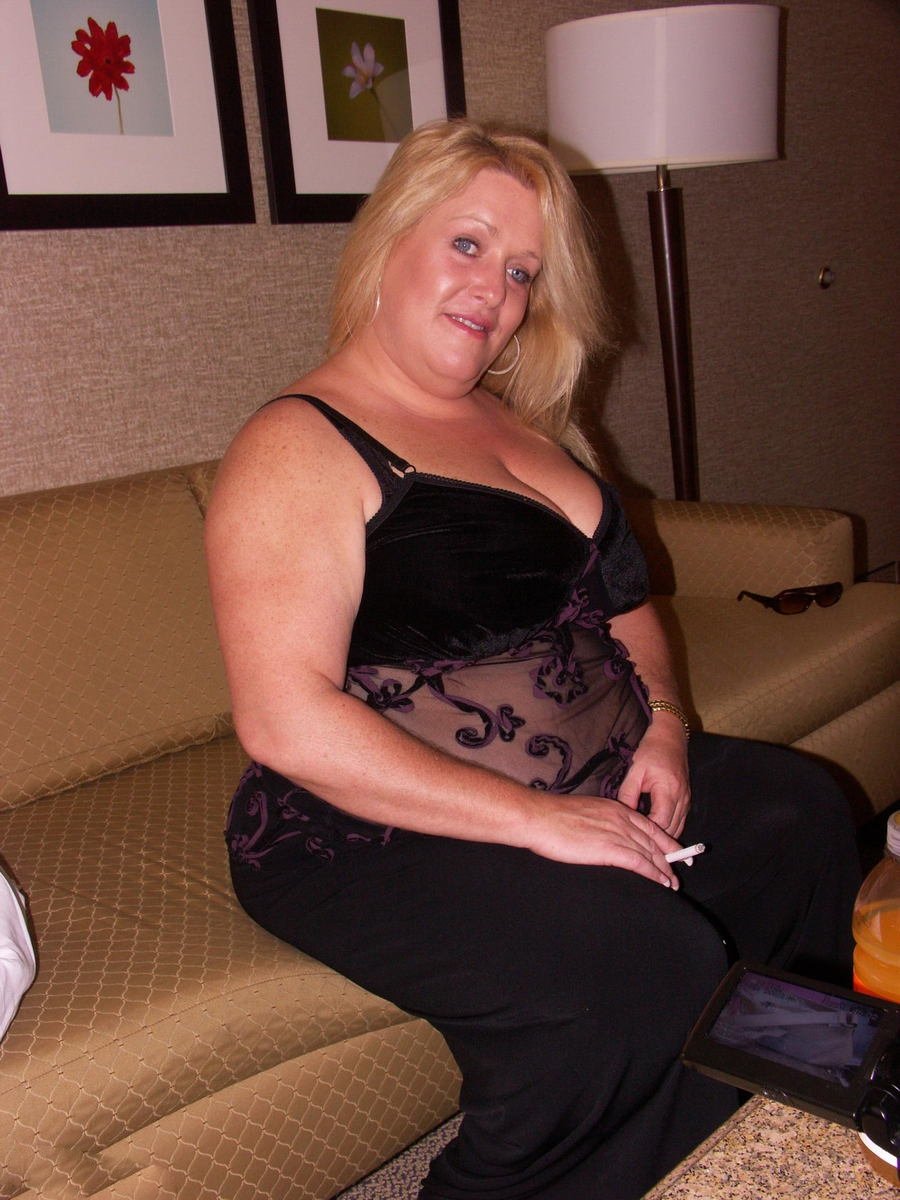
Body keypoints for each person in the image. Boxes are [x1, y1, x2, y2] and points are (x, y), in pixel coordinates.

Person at [205, 119, 859, 1200]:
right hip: (369, 829)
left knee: (802, 816)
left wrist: (668, 730)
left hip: (599, 766)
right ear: (389, 242)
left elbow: (626, 607)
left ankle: (774, 1114)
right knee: (634, 959)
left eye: (521, 270)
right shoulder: (299, 444)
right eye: (469, 244)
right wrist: (541, 823)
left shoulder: (525, 428)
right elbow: (285, 719)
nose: (496, 290)